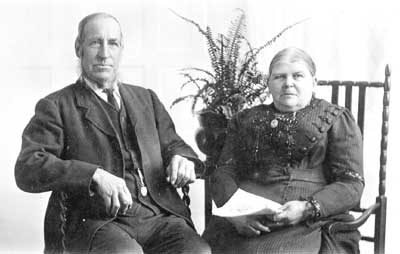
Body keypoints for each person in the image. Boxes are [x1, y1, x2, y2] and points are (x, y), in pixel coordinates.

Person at [15, 12, 210, 254]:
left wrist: (183, 159)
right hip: (97, 220)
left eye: (113, 43)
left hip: (157, 215)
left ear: (121, 49)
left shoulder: (146, 98)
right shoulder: (57, 105)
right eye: (95, 42)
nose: (104, 53)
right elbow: (28, 167)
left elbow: (173, 145)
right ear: (79, 48)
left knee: (197, 251)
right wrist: (94, 175)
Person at [202, 47, 364, 253]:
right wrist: (236, 215)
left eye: (297, 76)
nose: (288, 83)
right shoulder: (245, 120)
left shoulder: (336, 119)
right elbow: (224, 171)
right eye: (279, 77)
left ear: (313, 82)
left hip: (308, 222)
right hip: (245, 220)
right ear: (268, 83)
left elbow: (351, 183)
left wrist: (307, 208)